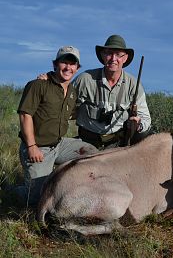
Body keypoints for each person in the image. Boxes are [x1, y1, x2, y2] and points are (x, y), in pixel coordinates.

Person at [16, 46, 99, 206]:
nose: (68, 67)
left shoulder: (72, 91)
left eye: (72, 64)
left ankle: (69, 189)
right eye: (64, 63)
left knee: (92, 154)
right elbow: (25, 115)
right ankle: (17, 191)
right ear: (55, 64)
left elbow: (71, 113)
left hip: (59, 144)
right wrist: (32, 146)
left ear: (77, 68)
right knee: (37, 200)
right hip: (38, 148)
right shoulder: (38, 85)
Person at [73, 34, 151, 149]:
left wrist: (138, 125)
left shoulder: (134, 84)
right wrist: (50, 78)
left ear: (125, 58)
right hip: (87, 140)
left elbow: (146, 119)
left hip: (116, 142)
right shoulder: (85, 79)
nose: (113, 59)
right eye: (109, 53)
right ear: (102, 55)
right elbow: (63, 100)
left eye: (119, 55)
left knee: (147, 136)